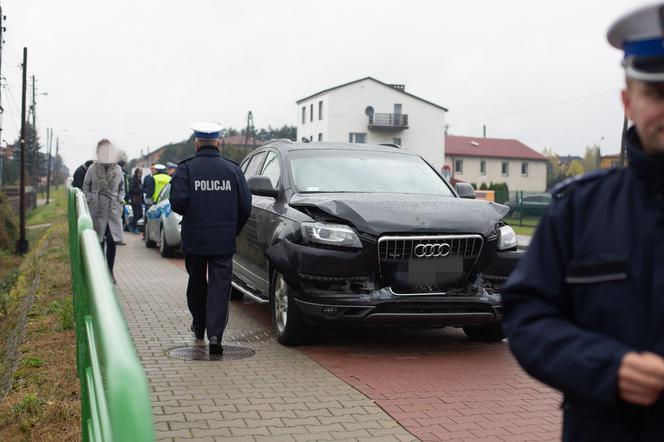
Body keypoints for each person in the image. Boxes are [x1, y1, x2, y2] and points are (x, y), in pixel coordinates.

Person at [502, 4, 664, 441]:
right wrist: (606, 367)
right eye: (659, 93)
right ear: (629, 102)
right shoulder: (578, 210)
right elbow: (527, 315)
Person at [170, 122, 251, 355]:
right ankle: (215, 335)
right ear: (218, 142)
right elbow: (245, 206)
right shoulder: (233, 170)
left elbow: (178, 203)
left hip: (195, 239)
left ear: (196, 143)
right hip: (223, 239)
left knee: (196, 281)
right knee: (220, 286)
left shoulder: (186, 169)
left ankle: (199, 325)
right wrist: (233, 229)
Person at [82, 139, 124, 280]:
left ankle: (110, 271)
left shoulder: (117, 169)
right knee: (99, 241)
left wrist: (120, 200)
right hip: (97, 209)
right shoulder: (92, 169)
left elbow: (122, 187)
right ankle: (99, 273)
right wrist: (90, 199)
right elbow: (86, 186)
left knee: (112, 241)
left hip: (112, 209)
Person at [128, 168, 144, 234]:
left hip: (139, 200)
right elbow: (131, 189)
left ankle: (131, 224)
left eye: (141, 172)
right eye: (139, 172)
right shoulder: (133, 179)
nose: (140, 174)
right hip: (134, 200)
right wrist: (139, 190)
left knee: (140, 215)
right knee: (136, 215)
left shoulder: (139, 179)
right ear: (136, 173)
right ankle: (135, 228)